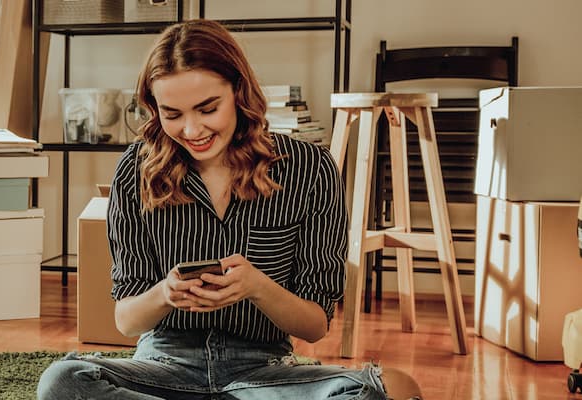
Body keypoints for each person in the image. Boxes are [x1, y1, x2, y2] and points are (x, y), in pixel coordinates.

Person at [37, 19, 417, 399]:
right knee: (63, 380)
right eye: (173, 114)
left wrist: (257, 287)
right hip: (163, 367)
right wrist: (165, 293)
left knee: (395, 389)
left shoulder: (309, 168)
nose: (191, 130)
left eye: (207, 108)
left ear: (239, 90)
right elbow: (126, 320)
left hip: (264, 372)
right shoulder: (137, 169)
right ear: (155, 110)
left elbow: (315, 325)